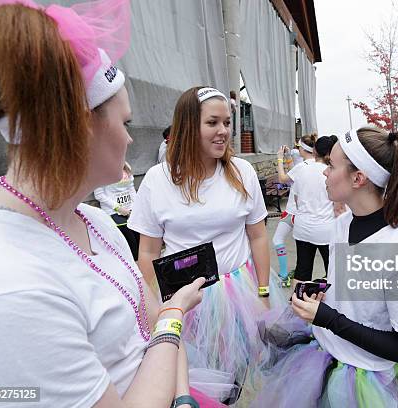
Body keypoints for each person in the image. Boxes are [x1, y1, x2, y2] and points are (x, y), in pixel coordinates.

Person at [0, 2, 217, 407]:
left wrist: (182, 395)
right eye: (123, 123)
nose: (130, 140)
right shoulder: (8, 286)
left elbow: (151, 325)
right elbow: (164, 326)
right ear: (80, 128)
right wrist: (175, 318)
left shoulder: (96, 222)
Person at [253, 128, 398, 407]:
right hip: (322, 354)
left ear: (358, 178)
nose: (324, 172)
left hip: (365, 379)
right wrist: (322, 289)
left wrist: (328, 318)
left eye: (331, 165)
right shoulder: (343, 223)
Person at [128, 86, 276, 400]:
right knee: (192, 382)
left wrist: (263, 292)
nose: (223, 131)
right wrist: (146, 309)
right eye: (212, 123)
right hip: (185, 299)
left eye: (226, 122)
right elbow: (149, 251)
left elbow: (259, 235)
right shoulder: (158, 179)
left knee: (234, 379)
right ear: (188, 126)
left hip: (238, 294)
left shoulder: (242, 172)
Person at [290, 136, 337, 288]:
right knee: (332, 270)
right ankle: (332, 307)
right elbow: (339, 207)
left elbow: (296, 200)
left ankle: (296, 305)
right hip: (326, 229)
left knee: (302, 269)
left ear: (314, 151)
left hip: (302, 227)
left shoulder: (301, 170)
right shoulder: (332, 173)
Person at [273, 135, 316, 286]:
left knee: (279, 241)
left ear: (303, 149)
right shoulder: (314, 167)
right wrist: (288, 158)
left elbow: (283, 179)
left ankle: (284, 275)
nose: (297, 149)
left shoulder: (303, 167)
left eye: (298, 147)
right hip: (301, 214)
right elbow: (293, 174)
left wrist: (279, 159)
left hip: (293, 212)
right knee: (305, 255)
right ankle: (287, 275)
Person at [94, 162, 140, 260]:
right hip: (114, 212)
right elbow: (99, 195)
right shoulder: (100, 170)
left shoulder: (126, 165)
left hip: (130, 210)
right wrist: (118, 208)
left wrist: (135, 206)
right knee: (131, 244)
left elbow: (131, 188)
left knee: (139, 240)